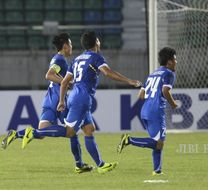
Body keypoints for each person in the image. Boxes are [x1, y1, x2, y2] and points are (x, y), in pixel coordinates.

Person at [21, 31, 142, 174]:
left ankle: (100, 165)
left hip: (74, 96)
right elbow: (108, 72)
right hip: (82, 98)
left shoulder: (77, 59)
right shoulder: (96, 57)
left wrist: (61, 101)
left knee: (89, 129)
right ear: (96, 42)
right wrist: (129, 81)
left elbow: (65, 81)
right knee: (69, 131)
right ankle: (34, 133)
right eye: (98, 41)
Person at [1, 33, 92, 173]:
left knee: (42, 133)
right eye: (71, 44)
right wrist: (65, 82)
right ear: (66, 45)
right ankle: (79, 164)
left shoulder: (57, 59)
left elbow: (53, 75)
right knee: (72, 132)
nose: (72, 47)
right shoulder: (60, 59)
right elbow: (49, 74)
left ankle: (16, 134)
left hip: (48, 100)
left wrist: (66, 81)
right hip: (58, 102)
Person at [117, 47, 178, 175]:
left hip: (145, 110)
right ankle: (129, 140)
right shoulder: (169, 74)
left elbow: (141, 95)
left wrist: (152, 96)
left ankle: (157, 170)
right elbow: (165, 91)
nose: (176, 62)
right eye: (175, 59)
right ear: (169, 62)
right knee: (159, 142)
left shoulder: (153, 74)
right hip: (156, 111)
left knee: (156, 141)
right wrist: (173, 104)